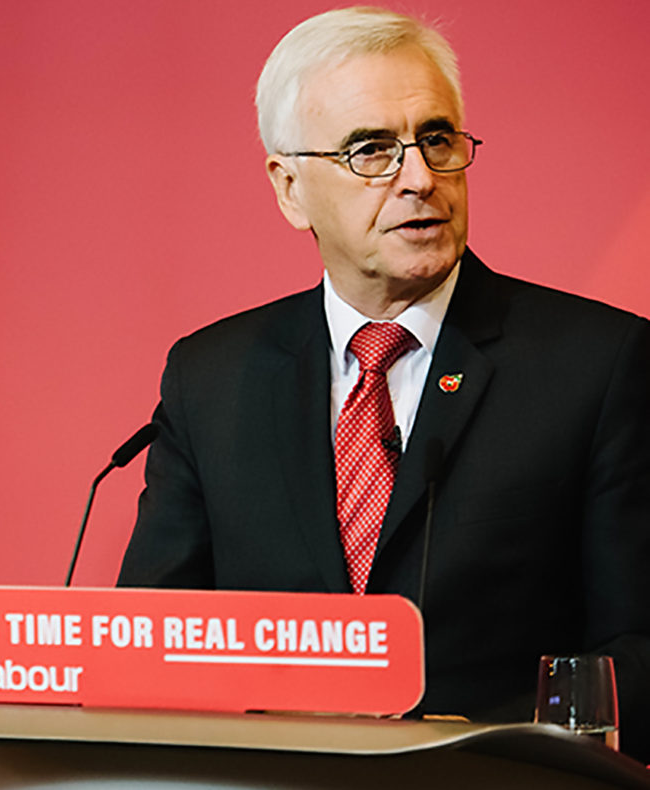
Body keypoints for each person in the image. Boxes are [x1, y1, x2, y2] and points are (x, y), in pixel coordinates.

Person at [116, 6, 650, 761]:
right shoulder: (212, 378)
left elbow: (639, 647)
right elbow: (150, 645)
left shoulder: (598, 363)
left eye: (437, 140)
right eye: (371, 150)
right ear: (290, 188)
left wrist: (477, 743)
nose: (420, 179)